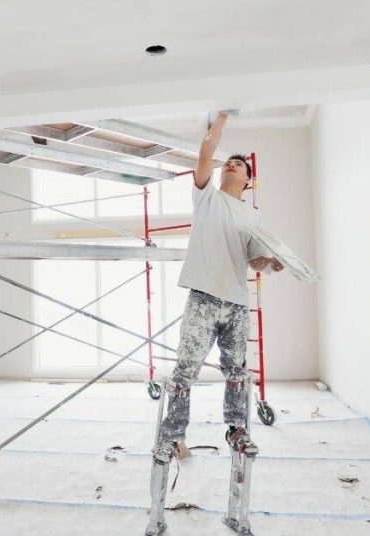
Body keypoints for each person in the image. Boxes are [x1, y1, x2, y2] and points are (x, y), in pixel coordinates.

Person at [145, 111, 281, 536]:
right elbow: (205, 153)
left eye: (238, 165)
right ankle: (172, 434)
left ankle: (236, 430)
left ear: (249, 179)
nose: (230, 166)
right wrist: (219, 121)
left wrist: (271, 262)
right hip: (204, 297)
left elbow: (254, 259)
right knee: (185, 370)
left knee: (237, 372)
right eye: (228, 163)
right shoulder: (207, 196)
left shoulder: (252, 218)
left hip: (236, 302)